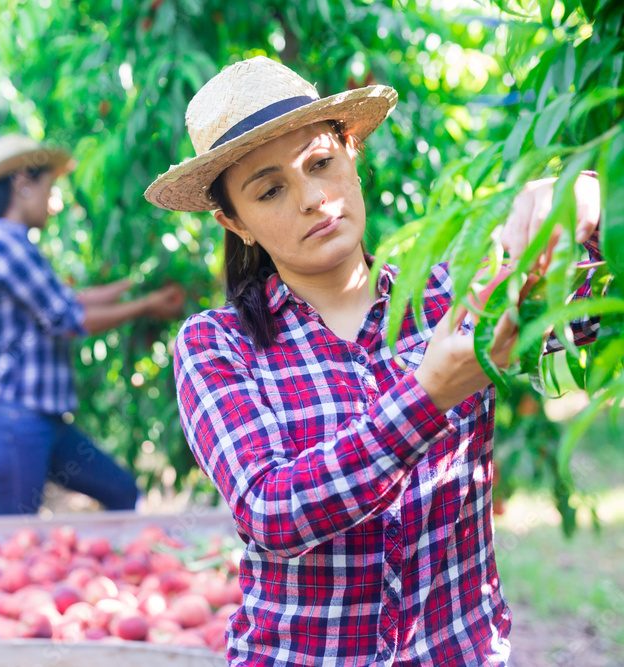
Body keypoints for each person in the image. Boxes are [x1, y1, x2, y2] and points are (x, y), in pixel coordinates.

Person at [144, 56, 604, 665]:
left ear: (351, 154)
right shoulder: (217, 344)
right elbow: (271, 512)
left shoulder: (450, 295)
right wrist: (425, 397)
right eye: (271, 189)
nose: (312, 199)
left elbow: (581, 312)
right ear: (234, 221)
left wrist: (587, 209)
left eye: (321, 163)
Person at [0, 134, 186, 515]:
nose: (55, 202)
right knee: (8, 544)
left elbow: (69, 300)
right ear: (22, 184)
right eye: (50, 187)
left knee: (121, 492)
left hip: (41, 420)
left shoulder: (15, 243)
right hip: (15, 422)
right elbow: (67, 320)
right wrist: (145, 305)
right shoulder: (5, 243)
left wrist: (136, 285)